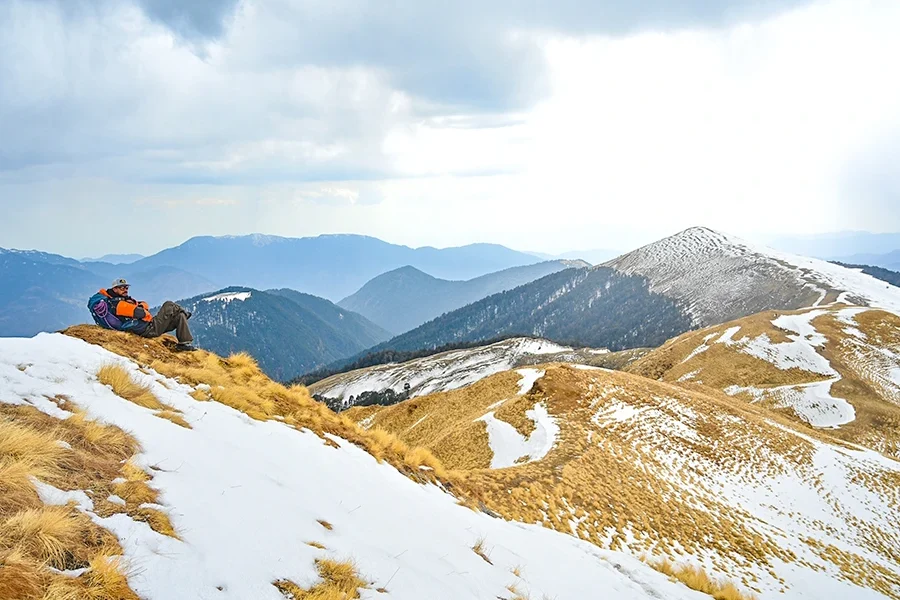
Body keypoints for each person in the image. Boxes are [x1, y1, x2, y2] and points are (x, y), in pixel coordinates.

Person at [88, 278, 196, 351]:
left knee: (179, 316)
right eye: (122, 288)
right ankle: (185, 313)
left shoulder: (117, 301)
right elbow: (141, 312)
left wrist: (138, 306)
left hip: (144, 327)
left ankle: (184, 343)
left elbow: (141, 305)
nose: (125, 289)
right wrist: (139, 307)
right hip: (148, 329)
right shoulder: (118, 304)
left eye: (126, 287)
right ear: (114, 289)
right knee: (169, 305)